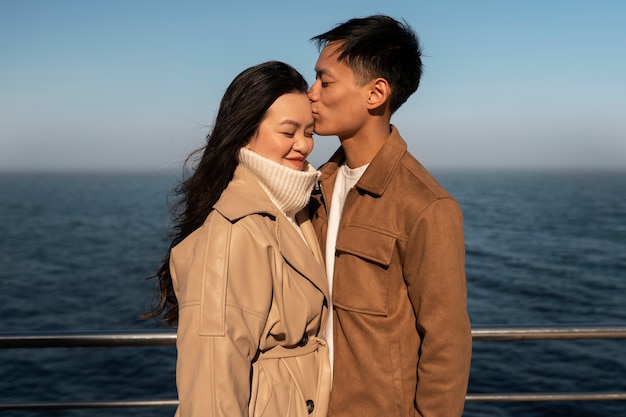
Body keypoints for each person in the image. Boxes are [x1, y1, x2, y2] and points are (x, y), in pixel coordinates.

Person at [307, 15, 472, 417]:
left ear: (375, 93)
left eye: (325, 82)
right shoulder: (314, 187)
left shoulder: (426, 206)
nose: (310, 94)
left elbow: (446, 344)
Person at [146, 61, 331, 417]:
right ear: (246, 132)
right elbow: (213, 380)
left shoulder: (295, 209)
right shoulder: (234, 231)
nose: (304, 145)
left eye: (309, 132)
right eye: (288, 132)